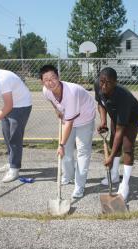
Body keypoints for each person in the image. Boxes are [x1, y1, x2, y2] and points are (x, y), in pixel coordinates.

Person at [39, 64, 95, 199]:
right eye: (46, 79)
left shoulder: (71, 92)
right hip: (69, 115)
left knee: (82, 152)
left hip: (85, 118)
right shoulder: (46, 90)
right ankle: (68, 176)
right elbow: (51, 100)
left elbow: (69, 123)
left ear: (59, 77)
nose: (50, 82)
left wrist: (61, 144)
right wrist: (57, 109)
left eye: (53, 78)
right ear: (42, 82)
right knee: (67, 152)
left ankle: (79, 186)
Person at [94, 67, 138, 201]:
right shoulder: (97, 84)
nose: (103, 85)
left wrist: (110, 156)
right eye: (102, 81)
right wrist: (104, 121)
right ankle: (114, 175)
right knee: (113, 142)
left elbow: (120, 131)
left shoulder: (123, 97)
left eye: (108, 83)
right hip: (116, 114)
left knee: (127, 147)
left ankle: (125, 184)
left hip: (133, 116)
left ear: (115, 83)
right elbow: (101, 103)